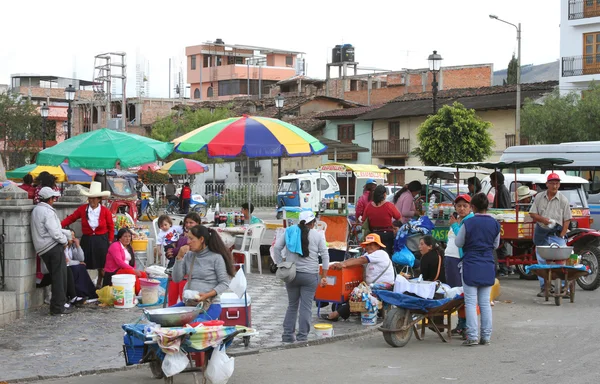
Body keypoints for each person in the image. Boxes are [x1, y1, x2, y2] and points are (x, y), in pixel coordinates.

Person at [273, 211, 329, 342]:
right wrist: (324, 275)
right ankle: (302, 336)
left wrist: (281, 264)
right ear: (313, 223)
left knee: (292, 305)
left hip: (291, 274)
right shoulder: (317, 235)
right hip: (310, 276)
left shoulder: (290, 231)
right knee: (306, 307)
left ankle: (287, 336)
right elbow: (325, 256)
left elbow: (276, 247)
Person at [455, 193, 501, 346]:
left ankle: (472, 336)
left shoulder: (468, 224)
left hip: (470, 264)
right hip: (488, 263)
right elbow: (495, 245)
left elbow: (459, 243)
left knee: (470, 302)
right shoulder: (495, 223)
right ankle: (486, 336)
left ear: (473, 207)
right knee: (485, 302)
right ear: (487, 207)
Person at [321, 233, 394, 322]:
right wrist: (341, 264)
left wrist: (343, 264)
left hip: (384, 286)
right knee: (354, 293)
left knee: (361, 294)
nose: (368, 247)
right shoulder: (368, 254)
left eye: (371, 244)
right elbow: (355, 260)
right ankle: (342, 312)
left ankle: (336, 314)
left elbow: (362, 260)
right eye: (367, 245)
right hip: (371, 286)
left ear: (378, 246)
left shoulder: (381, 253)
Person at [172, 225, 236, 321]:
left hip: (210, 305)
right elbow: (176, 278)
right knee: (165, 317)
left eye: (191, 239)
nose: (188, 242)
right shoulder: (189, 255)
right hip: (190, 304)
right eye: (187, 238)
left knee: (193, 323)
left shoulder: (216, 258)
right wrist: (179, 257)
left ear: (201, 239)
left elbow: (224, 283)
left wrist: (206, 295)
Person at [62, 181, 114, 289]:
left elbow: (111, 226)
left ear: (99, 199)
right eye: (90, 198)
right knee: (84, 262)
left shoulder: (105, 211)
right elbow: (72, 218)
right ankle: (85, 284)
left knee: (102, 264)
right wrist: (59, 225)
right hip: (88, 239)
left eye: (94, 198)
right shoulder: (83, 209)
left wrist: (110, 240)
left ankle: (100, 282)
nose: (91, 200)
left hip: (101, 240)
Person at [529, 173, 572, 298]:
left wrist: (562, 235)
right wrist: (543, 220)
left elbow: (567, 220)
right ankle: (545, 287)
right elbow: (532, 213)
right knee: (541, 261)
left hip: (556, 233)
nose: (555, 185)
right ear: (547, 184)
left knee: (562, 259)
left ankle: (565, 287)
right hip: (541, 232)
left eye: (557, 183)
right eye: (552, 183)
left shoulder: (563, 200)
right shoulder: (539, 197)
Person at [31, 187, 73, 315]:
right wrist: (65, 241)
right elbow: (55, 232)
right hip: (52, 246)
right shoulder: (47, 212)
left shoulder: (37, 210)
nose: (54, 200)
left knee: (56, 276)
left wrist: (66, 234)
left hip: (43, 247)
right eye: (53, 198)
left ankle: (58, 304)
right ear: (49, 199)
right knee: (59, 277)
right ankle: (58, 306)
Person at [446, 194, 474, 336]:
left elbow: (461, 239)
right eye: (459, 206)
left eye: (465, 206)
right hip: (451, 258)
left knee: (463, 294)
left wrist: (455, 226)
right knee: (456, 293)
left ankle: (466, 325)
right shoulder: (458, 220)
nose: (461, 208)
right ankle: (461, 324)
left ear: (470, 207)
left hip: (460, 260)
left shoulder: (469, 221)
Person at [166, 212, 202, 306]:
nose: (188, 225)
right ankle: (170, 316)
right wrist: (171, 252)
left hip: (187, 270)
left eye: (191, 222)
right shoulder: (181, 235)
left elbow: (187, 249)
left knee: (184, 298)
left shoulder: (199, 238)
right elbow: (172, 249)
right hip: (175, 266)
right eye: (186, 222)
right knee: (172, 296)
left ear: (198, 223)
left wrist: (175, 251)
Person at [103, 228, 147, 294]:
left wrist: (134, 269)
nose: (128, 238)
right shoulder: (115, 246)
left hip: (126, 269)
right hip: (115, 271)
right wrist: (133, 270)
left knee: (143, 274)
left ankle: (145, 290)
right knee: (132, 274)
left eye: (129, 236)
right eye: (125, 236)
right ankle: (138, 292)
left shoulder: (130, 247)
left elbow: (133, 262)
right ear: (120, 238)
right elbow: (119, 262)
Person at [363, 185, 401, 256]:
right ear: (384, 194)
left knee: (373, 255)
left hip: (373, 234)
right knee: (386, 255)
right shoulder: (389, 205)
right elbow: (399, 217)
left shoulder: (369, 206)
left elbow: (363, 219)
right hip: (387, 234)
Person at [64, 229, 98, 302]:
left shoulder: (72, 247)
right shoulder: (63, 247)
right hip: (66, 267)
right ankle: (81, 293)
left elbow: (81, 258)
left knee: (81, 267)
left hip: (72, 266)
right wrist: (78, 263)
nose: (73, 238)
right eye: (71, 236)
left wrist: (78, 246)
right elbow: (67, 261)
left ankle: (88, 292)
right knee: (79, 267)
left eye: (73, 236)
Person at [489, 172, 511, 276]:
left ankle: (504, 269)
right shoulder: (500, 190)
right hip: (499, 221)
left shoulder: (503, 191)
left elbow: (505, 208)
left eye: (491, 180)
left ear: (496, 181)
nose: (490, 182)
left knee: (501, 246)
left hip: (502, 222)